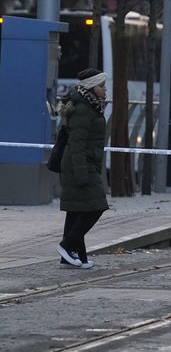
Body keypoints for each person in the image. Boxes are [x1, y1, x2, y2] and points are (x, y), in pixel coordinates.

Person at [57, 69, 110, 269]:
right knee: (96, 206)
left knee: (76, 209)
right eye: (101, 86)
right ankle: (67, 245)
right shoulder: (84, 110)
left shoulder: (89, 106)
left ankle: (73, 257)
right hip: (80, 166)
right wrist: (81, 174)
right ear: (91, 87)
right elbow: (77, 144)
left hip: (82, 163)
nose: (105, 90)